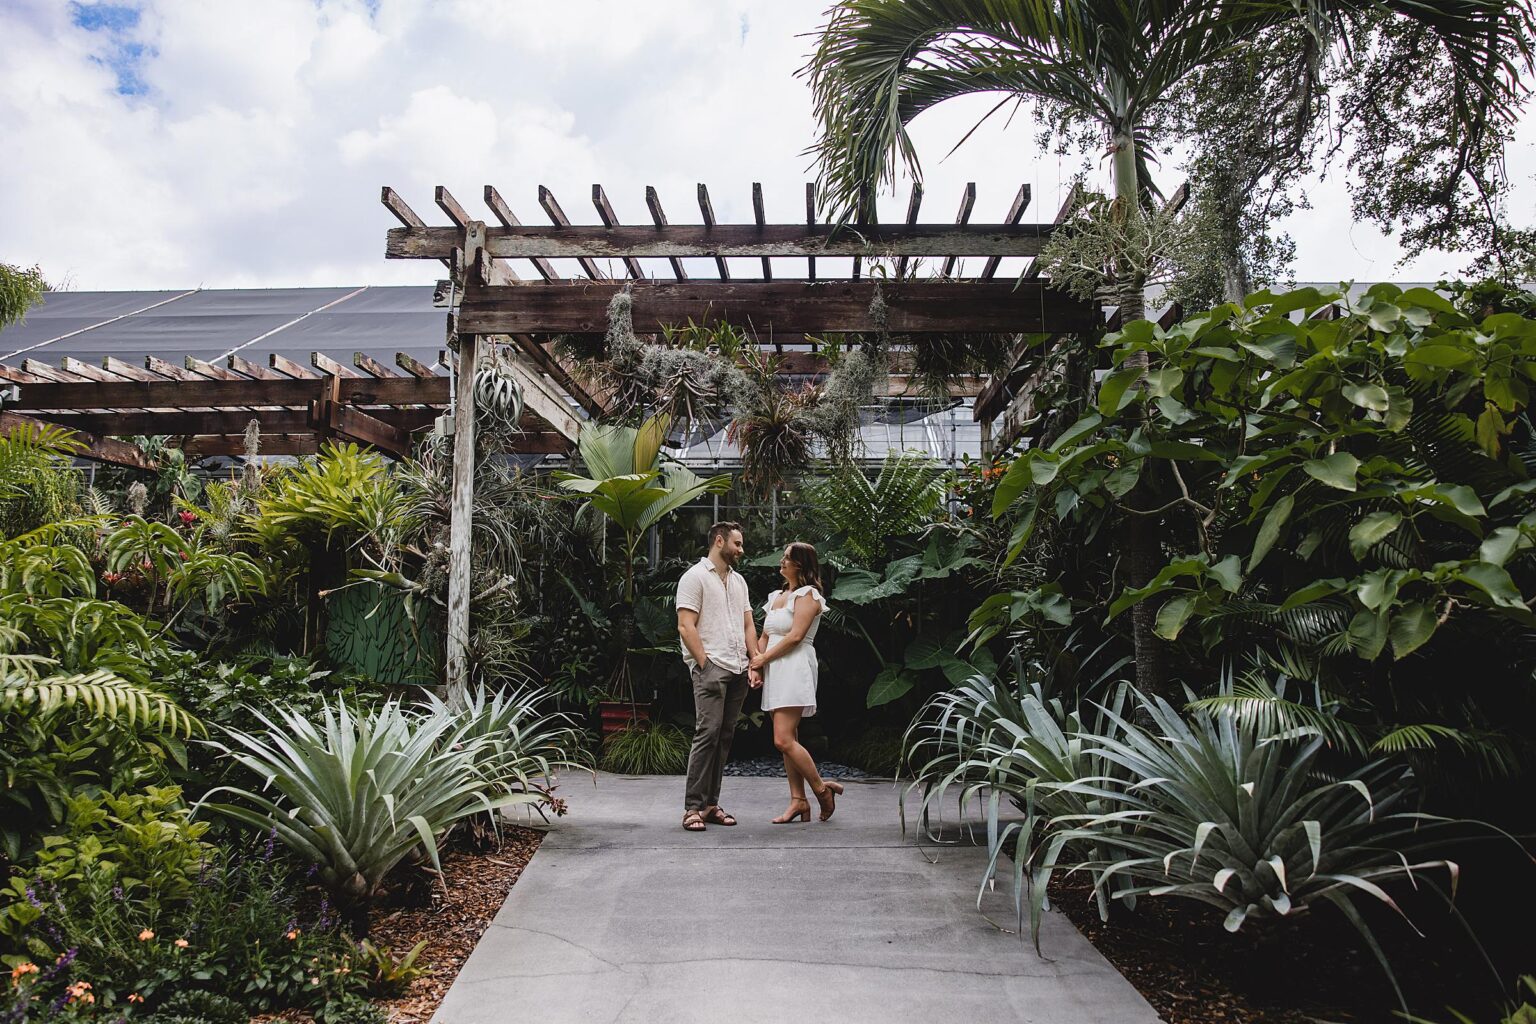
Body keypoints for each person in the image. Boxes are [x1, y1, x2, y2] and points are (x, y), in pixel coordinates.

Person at [750, 541, 844, 823]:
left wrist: (762, 661)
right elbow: (765, 636)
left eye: (787, 558)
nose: (782, 561)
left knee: (782, 739)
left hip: (794, 667)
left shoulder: (808, 595)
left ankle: (820, 790)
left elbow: (795, 637)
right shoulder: (776, 596)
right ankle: (798, 801)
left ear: (800, 565)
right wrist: (757, 665)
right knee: (790, 739)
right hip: (775, 668)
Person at [676, 522, 760, 833]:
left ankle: (711, 804)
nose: (741, 550)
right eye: (737, 544)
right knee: (707, 735)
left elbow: (748, 625)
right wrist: (705, 665)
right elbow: (686, 626)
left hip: (738, 668)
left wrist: (754, 662)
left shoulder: (738, 581)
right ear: (719, 540)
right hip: (712, 668)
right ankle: (692, 808)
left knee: (724, 738)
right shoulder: (694, 578)